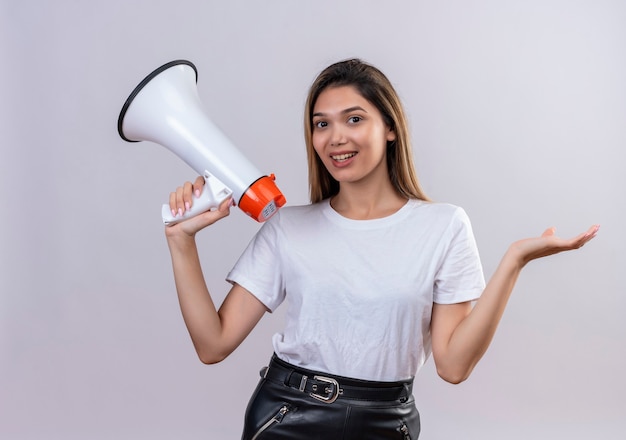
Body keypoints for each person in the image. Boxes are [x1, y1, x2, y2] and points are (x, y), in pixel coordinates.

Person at [164, 59, 599, 439]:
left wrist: (515, 260)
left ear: (389, 127)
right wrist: (181, 241)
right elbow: (212, 344)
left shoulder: (444, 226)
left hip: (387, 424)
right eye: (322, 123)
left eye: (354, 119)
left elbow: (453, 366)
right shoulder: (288, 228)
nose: (336, 137)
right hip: (287, 416)